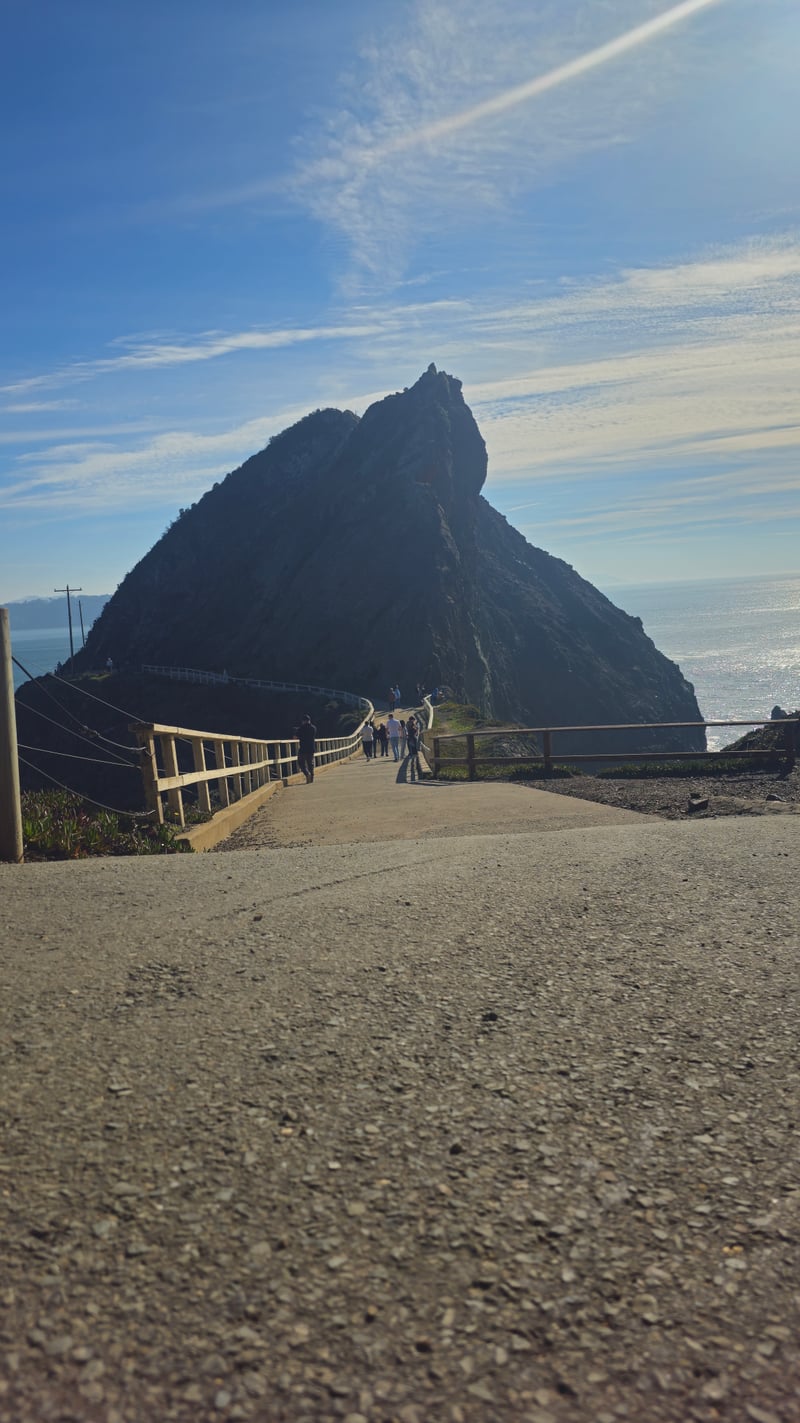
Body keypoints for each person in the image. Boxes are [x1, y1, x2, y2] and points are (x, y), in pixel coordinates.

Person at [295, 714, 317, 783]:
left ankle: (307, 774)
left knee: (301, 763)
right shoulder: (313, 728)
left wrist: (296, 731)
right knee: (310, 763)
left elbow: (295, 737)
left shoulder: (301, 729)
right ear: (309, 721)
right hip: (311, 748)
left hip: (303, 749)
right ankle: (312, 777)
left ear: (303, 721)